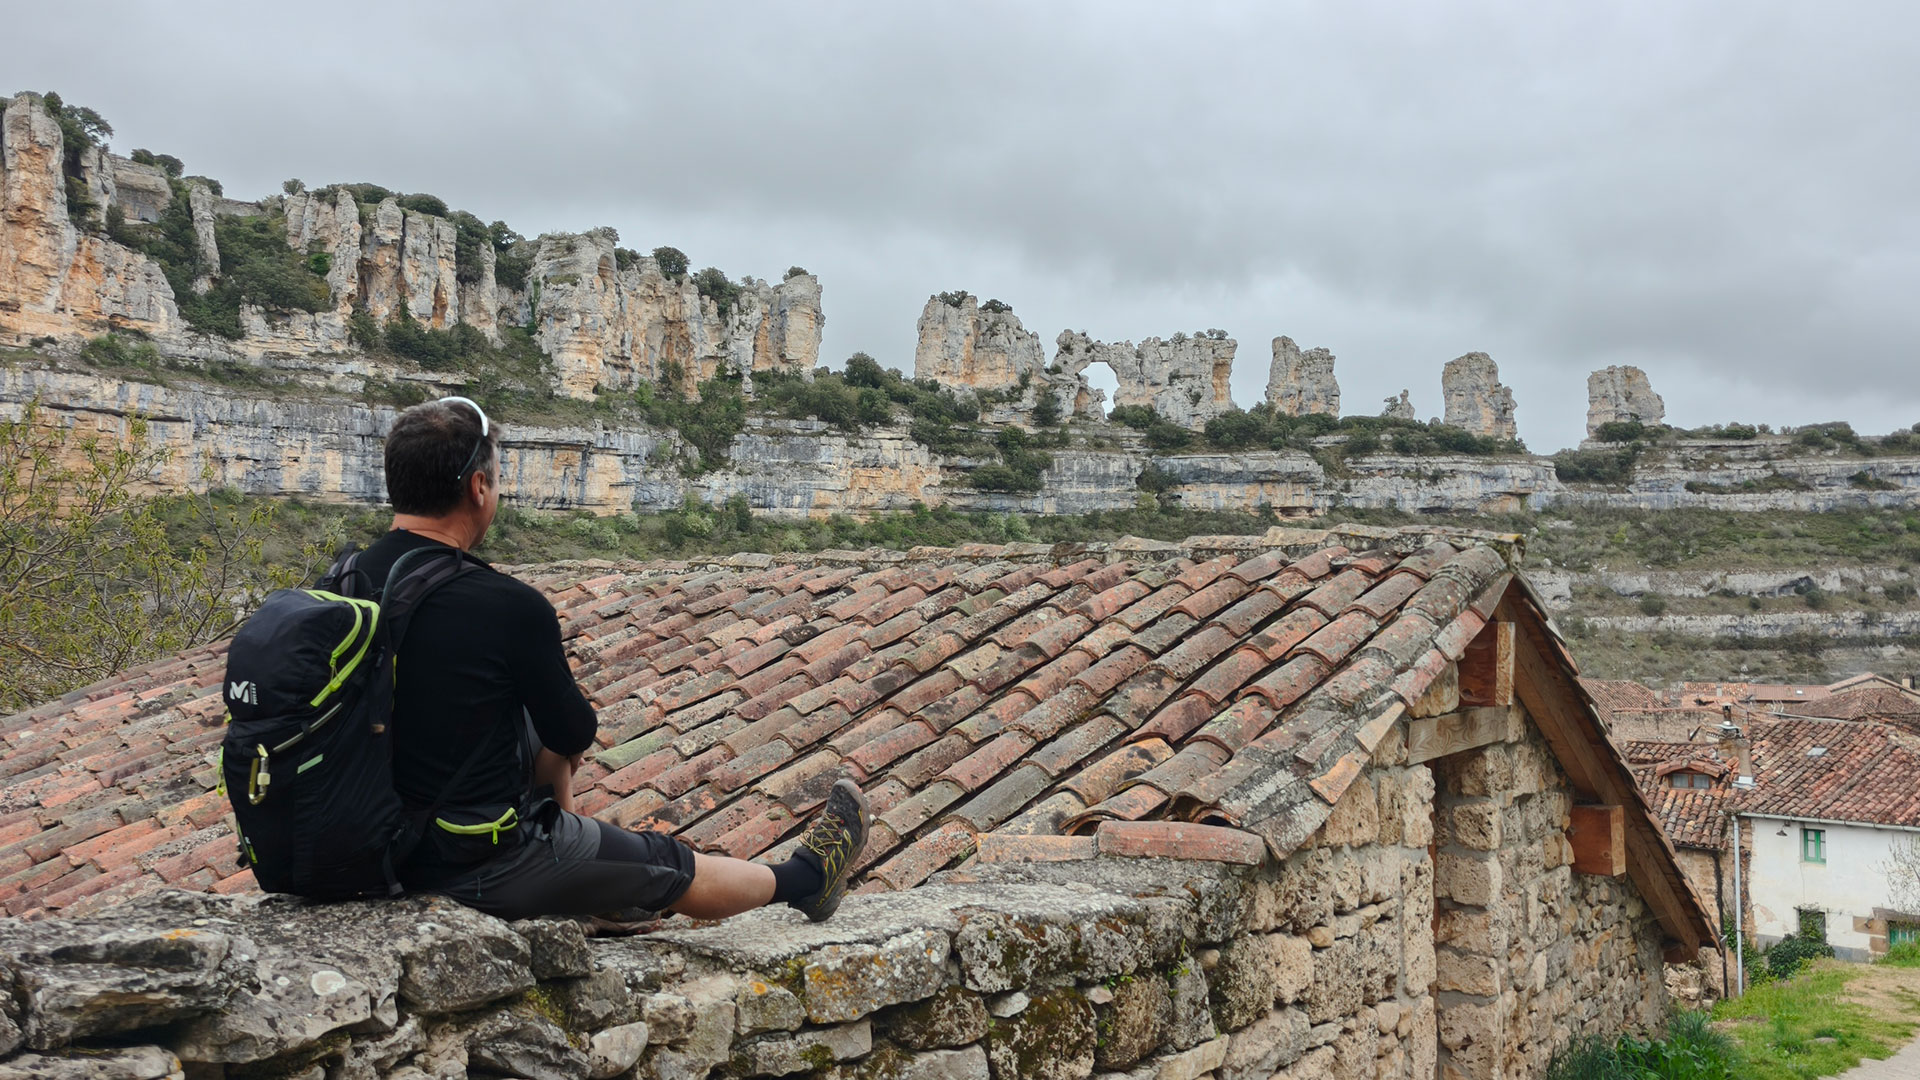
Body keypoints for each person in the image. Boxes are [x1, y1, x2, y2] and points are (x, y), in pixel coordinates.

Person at [359, 396, 867, 923]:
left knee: (531, 725)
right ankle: (809, 878)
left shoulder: (343, 583)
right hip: (465, 863)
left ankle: (575, 866)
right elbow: (576, 730)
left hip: (362, 848)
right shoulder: (506, 605)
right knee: (668, 865)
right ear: (478, 488)